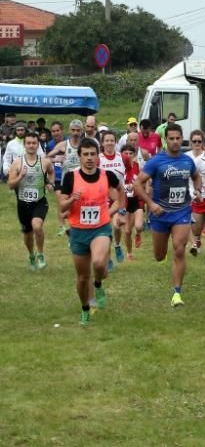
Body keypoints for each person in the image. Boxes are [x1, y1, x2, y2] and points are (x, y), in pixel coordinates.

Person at [133, 124, 202, 307]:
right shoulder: (156, 161)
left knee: (179, 249)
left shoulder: (187, 161)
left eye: (178, 138)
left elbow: (196, 176)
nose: (175, 142)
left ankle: (177, 293)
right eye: (171, 138)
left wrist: (198, 189)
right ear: (165, 140)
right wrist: (151, 204)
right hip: (160, 214)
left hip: (181, 211)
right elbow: (138, 184)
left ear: (182, 138)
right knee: (159, 255)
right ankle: (162, 256)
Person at [59, 138, 124, 326]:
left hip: (100, 229)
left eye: (92, 154)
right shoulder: (70, 177)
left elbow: (120, 192)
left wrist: (118, 211)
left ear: (98, 156)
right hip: (78, 231)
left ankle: (98, 284)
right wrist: (72, 200)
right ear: (79, 157)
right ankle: (85, 308)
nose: (89, 158)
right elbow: (62, 206)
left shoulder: (107, 175)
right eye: (85, 154)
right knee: (82, 277)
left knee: (98, 263)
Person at [8, 131, 55, 271]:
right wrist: (20, 176)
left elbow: (51, 172)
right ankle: (31, 255)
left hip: (39, 201)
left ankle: (40, 254)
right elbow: (10, 185)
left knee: (37, 226)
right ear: (24, 145)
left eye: (34, 143)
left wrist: (50, 184)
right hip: (23, 204)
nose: (31, 145)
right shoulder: (17, 163)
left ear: (37, 144)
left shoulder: (45, 162)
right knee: (27, 235)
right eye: (28, 143)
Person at [98, 130, 128, 265]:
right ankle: (108, 259)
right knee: (105, 229)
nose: (109, 143)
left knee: (116, 227)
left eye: (112, 140)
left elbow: (130, 170)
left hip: (119, 197)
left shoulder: (123, 157)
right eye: (107, 140)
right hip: (102, 198)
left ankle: (117, 245)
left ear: (116, 142)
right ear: (102, 143)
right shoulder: (98, 158)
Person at [186, 130, 205, 259]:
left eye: (199, 141)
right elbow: (188, 178)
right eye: (194, 141)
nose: (197, 143)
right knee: (195, 229)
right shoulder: (186, 157)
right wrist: (192, 194)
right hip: (195, 196)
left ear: (203, 143)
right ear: (190, 142)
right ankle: (196, 243)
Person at [119, 144, 146, 262]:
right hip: (124, 201)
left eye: (131, 153)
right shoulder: (119, 168)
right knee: (127, 231)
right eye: (126, 153)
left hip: (137, 200)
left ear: (134, 155)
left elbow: (144, 182)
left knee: (139, 226)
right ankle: (129, 253)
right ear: (121, 155)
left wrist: (137, 186)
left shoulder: (138, 167)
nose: (128, 155)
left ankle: (138, 234)